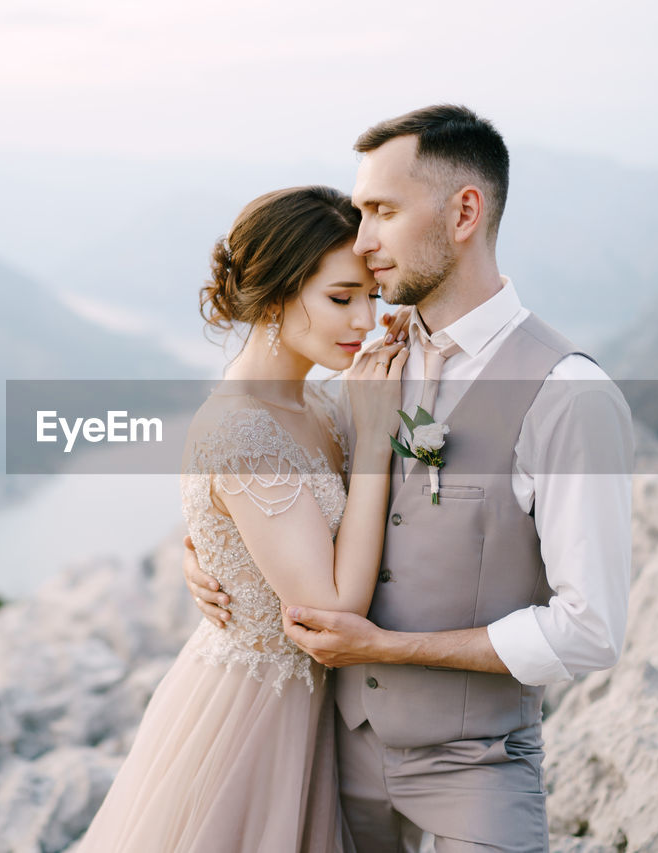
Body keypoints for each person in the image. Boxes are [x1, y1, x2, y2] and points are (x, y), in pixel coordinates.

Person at [185, 105, 635, 851]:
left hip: (476, 768)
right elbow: (277, 487)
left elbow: (591, 631)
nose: (362, 243)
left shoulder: (568, 395)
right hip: (328, 751)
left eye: (382, 211)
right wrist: (205, 551)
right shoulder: (367, 356)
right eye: (361, 212)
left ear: (464, 213)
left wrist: (391, 650)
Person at [76, 185, 409, 852]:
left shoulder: (314, 402)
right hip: (254, 721)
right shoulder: (247, 429)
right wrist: (374, 441)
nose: (365, 320)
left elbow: (252, 528)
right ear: (279, 297)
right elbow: (333, 606)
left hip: (322, 713)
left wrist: (201, 551)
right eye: (341, 298)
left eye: (371, 296)